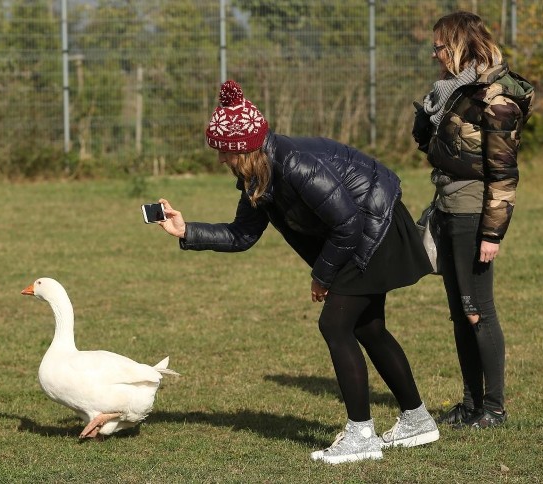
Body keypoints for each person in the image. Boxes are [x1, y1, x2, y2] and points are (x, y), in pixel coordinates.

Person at [154, 80, 439, 464]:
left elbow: (348, 224)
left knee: (335, 326)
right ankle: (417, 420)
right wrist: (187, 231)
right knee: (368, 327)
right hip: (361, 230)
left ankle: (361, 436)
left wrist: (322, 276)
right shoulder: (258, 174)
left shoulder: (293, 163)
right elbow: (242, 235)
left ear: (242, 148)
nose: (220, 159)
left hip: (376, 227)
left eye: (223, 151)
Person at [412, 11, 534, 430]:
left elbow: (504, 173)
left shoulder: (496, 98)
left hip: (472, 212)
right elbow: (437, 149)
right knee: (459, 311)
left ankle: (494, 409)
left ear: (459, 44)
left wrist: (492, 232)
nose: (433, 54)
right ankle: (470, 403)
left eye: (439, 46)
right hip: (446, 205)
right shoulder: (452, 92)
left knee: (477, 310)